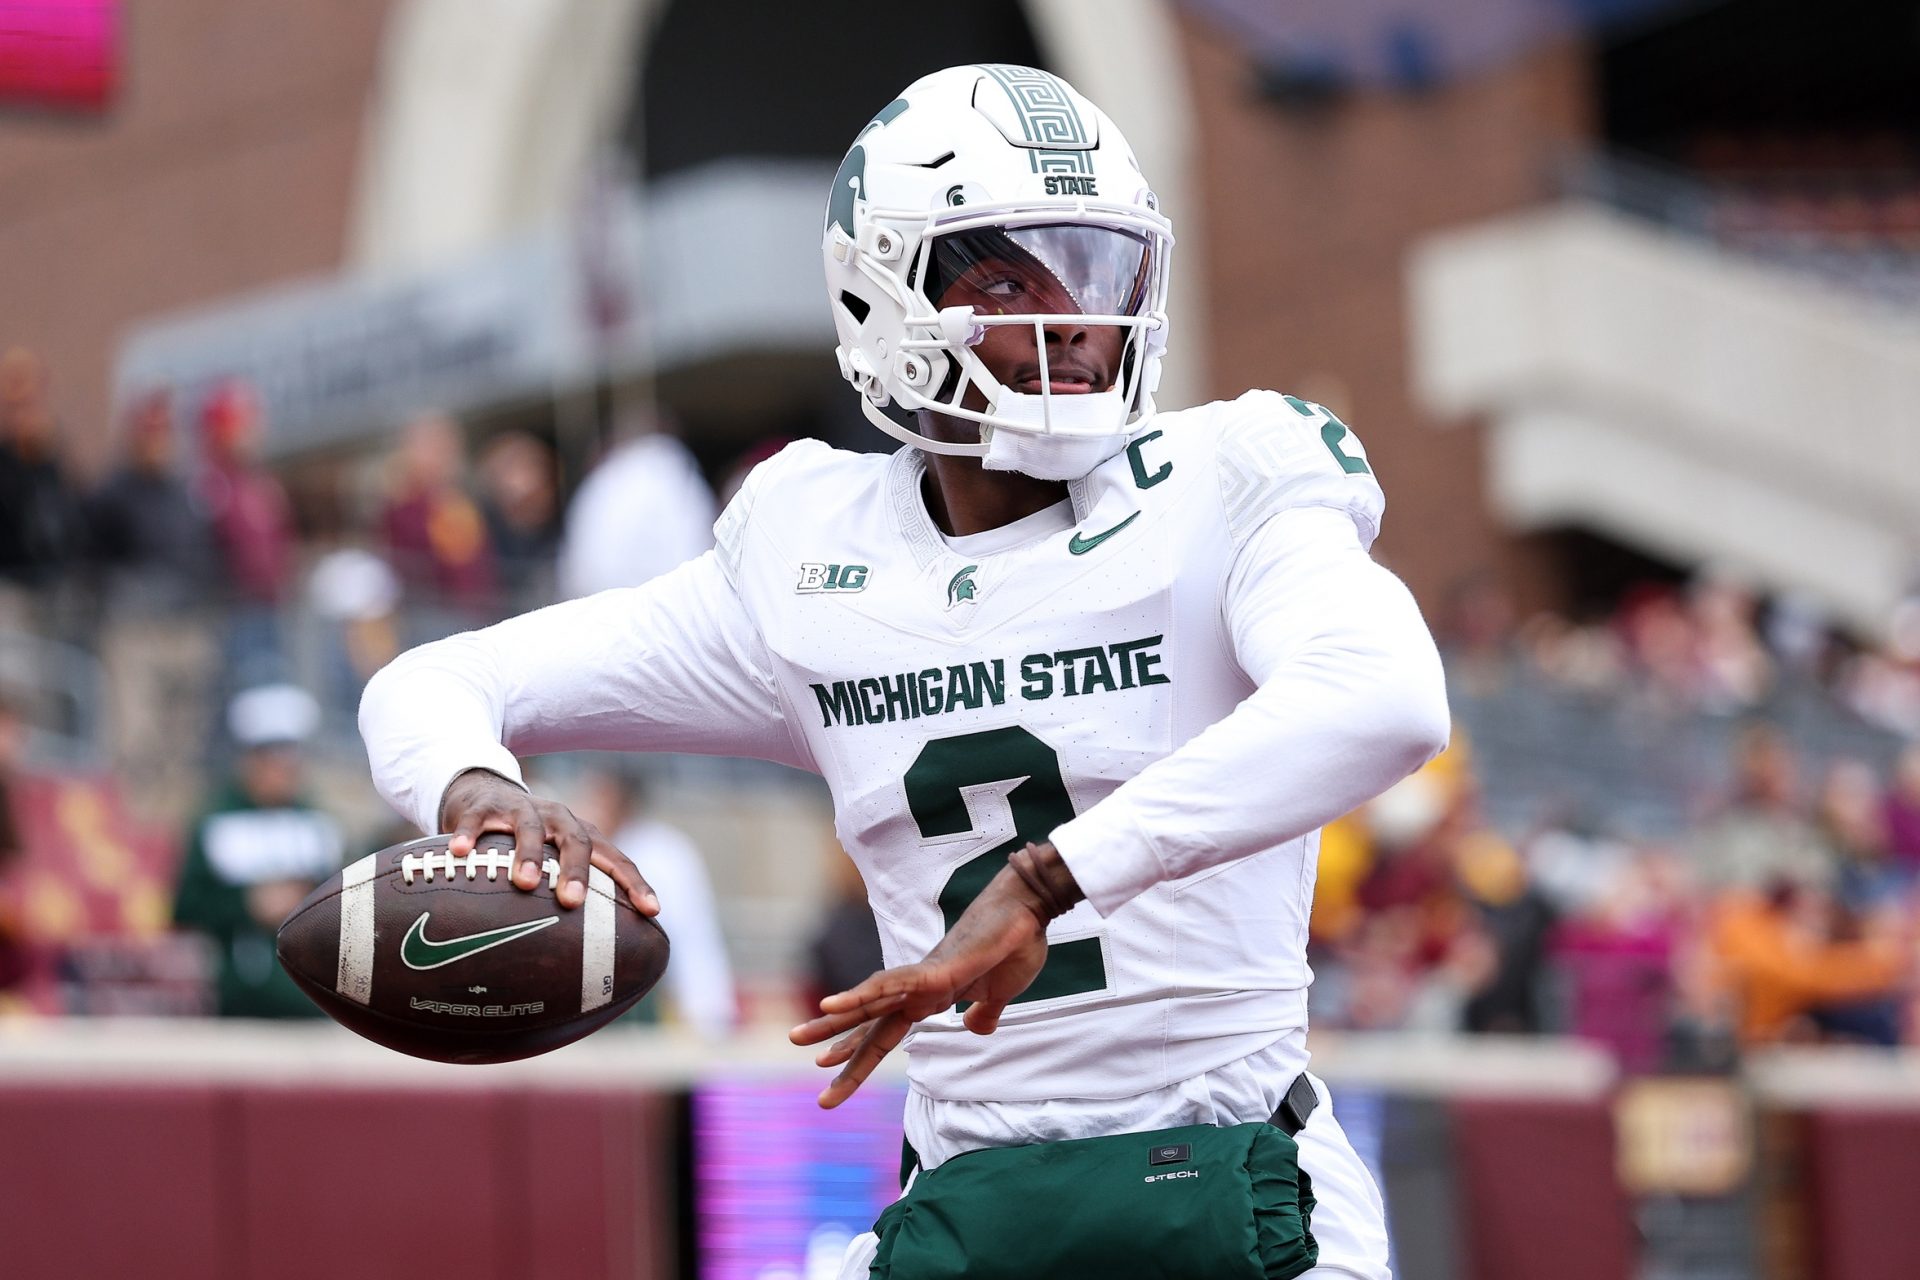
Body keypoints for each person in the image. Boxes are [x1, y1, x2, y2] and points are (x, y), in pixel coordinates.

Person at [361, 65, 1448, 1280]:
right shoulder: (810, 550)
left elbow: (1388, 693)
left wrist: (1048, 879)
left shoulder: (1223, 479)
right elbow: (432, 680)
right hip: (975, 1205)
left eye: (1096, 268)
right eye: (1006, 276)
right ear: (883, 295)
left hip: (1238, 1183)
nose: (1076, 318)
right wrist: (478, 790)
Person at [173, 684, 345, 1018]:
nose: (284, 773)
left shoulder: (318, 825)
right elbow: (186, 907)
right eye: (274, 761)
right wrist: (247, 905)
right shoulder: (216, 822)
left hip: (311, 1001)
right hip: (238, 997)